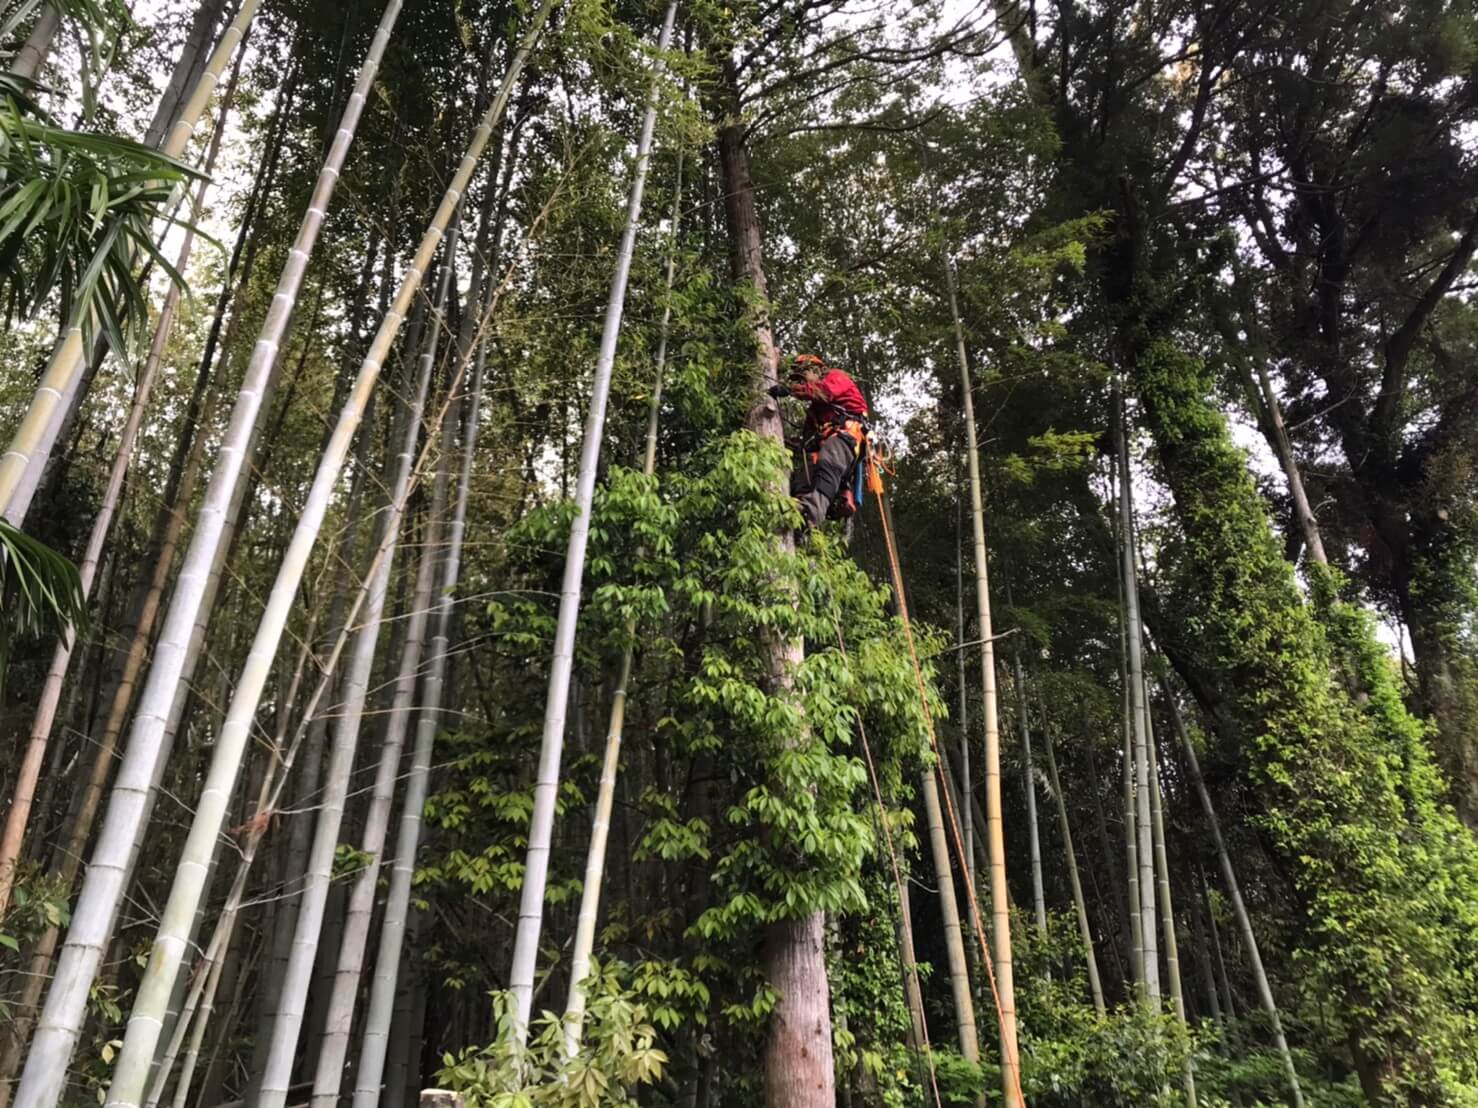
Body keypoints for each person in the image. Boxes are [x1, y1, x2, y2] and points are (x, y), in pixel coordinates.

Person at [768, 353, 870, 531]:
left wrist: (789, 390)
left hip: (846, 436)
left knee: (828, 460)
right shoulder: (815, 412)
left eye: (802, 376)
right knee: (804, 470)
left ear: (817, 370)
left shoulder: (836, 377)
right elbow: (806, 441)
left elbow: (824, 391)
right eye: (797, 380)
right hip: (830, 443)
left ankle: (810, 512)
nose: (801, 383)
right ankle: (799, 513)